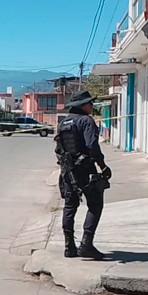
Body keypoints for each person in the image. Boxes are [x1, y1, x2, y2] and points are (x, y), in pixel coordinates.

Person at [54, 90, 111, 259]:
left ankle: (69, 247)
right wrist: (103, 166)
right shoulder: (86, 121)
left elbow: (59, 149)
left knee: (70, 207)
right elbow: (92, 146)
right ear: (82, 105)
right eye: (90, 103)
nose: (92, 106)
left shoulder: (63, 123)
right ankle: (86, 244)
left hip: (68, 172)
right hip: (85, 171)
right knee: (95, 205)